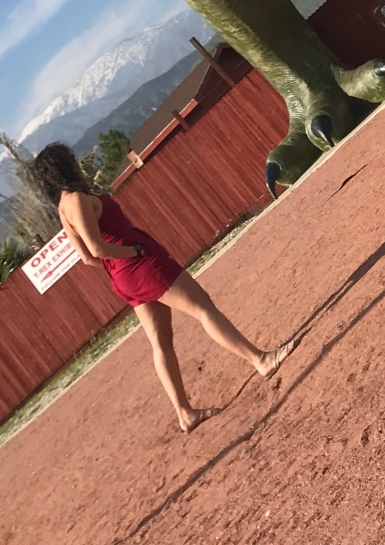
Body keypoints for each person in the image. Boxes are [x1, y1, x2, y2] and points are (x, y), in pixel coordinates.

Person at [32, 141, 295, 433]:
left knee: (161, 340)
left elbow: (85, 258)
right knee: (203, 308)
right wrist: (135, 252)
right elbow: (95, 249)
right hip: (139, 265)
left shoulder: (62, 208)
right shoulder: (77, 200)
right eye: (70, 158)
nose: (76, 161)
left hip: (124, 276)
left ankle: (185, 413)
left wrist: (121, 266)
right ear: (62, 167)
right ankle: (261, 360)